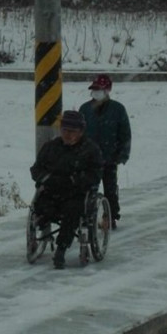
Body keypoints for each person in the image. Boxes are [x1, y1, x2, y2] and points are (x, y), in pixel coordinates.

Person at [29, 110, 103, 269]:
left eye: (72, 132)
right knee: (41, 207)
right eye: (65, 131)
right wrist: (46, 178)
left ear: (81, 132)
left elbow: (95, 174)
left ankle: (61, 249)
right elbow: (36, 169)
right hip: (52, 189)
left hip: (76, 192)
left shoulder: (90, 149)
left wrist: (74, 180)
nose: (68, 135)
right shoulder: (51, 147)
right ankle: (42, 225)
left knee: (72, 212)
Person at [79, 75, 132, 229]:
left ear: (107, 91)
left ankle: (110, 216)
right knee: (87, 188)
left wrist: (122, 154)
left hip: (110, 157)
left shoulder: (118, 109)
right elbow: (79, 133)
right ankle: (86, 215)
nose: (96, 93)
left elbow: (125, 134)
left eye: (99, 89)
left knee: (110, 188)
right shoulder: (85, 109)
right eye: (94, 89)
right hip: (88, 158)